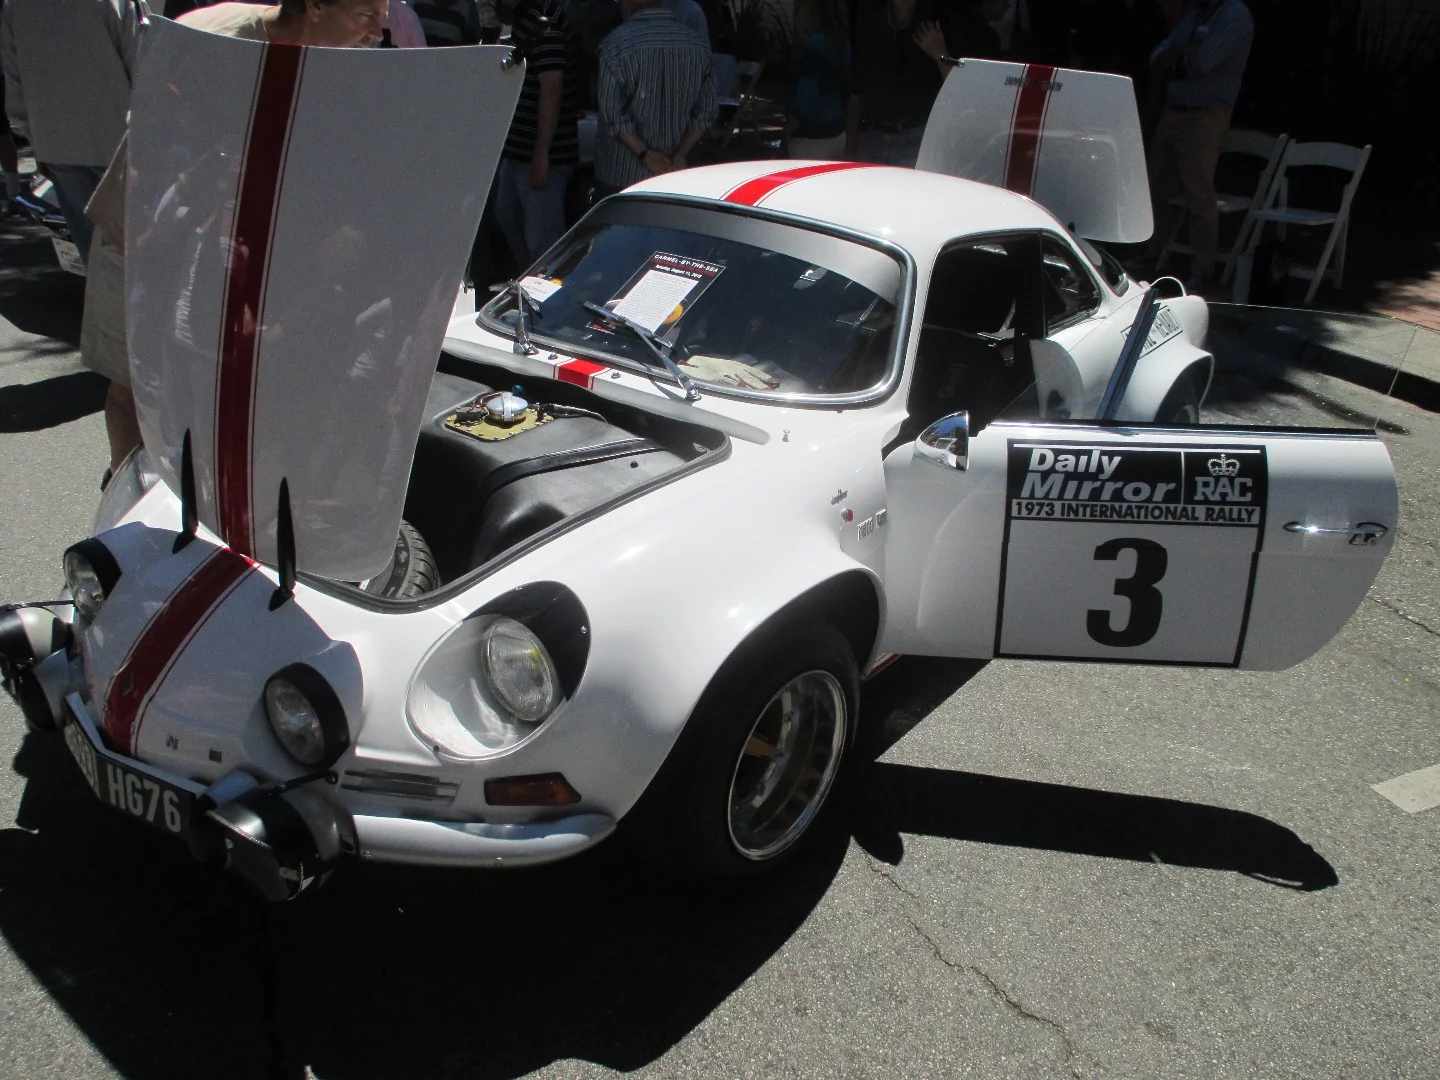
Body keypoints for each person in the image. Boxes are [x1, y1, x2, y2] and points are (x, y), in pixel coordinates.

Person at [82, 0, 387, 477]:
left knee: (209, 390)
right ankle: (126, 488)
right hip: (149, 230)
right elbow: (153, 144)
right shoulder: (214, 42)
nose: (378, 31)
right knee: (134, 380)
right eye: (366, 15)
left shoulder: (331, 60)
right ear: (315, 7)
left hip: (233, 246)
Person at [0, 0, 141, 263]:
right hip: (119, 141)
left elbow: (14, 88)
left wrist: (35, 141)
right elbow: (141, 65)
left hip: (58, 145)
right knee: (137, 246)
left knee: (94, 255)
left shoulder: (15, 6)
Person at [1144, 0, 1253, 288]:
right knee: (1157, 185)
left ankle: (1202, 269)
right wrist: (1179, 55)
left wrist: (1177, 58)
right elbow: (1158, 54)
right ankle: (1153, 256)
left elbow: (1202, 62)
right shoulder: (1195, 14)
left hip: (1205, 116)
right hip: (1173, 110)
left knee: (1198, 192)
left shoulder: (1234, 14)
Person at [594, 0, 716, 198]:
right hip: (673, 174)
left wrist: (645, 154)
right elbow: (707, 111)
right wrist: (681, 154)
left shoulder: (614, 45)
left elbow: (611, 113)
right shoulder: (698, 46)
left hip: (621, 176)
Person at [494, 0, 582, 265]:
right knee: (508, 215)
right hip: (518, 150)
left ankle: (543, 285)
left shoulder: (544, 21)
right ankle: (529, 279)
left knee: (543, 243)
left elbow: (552, 88)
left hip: (540, 155)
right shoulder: (523, 18)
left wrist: (542, 153)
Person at [847, 0, 953, 165]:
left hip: (918, 139)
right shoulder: (870, 17)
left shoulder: (937, 18)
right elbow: (856, 91)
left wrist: (940, 54)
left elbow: (957, 87)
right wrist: (850, 149)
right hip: (872, 137)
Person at [786, 0, 852, 160]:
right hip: (838, 132)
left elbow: (806, 101)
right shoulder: (844, 43)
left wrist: (787, 130)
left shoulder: (814, 46)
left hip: (812, 138)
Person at [409, 0, 481, 45]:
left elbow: (471, 47)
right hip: (420, 60)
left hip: (452, 61)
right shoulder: (414, 3)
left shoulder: (468, 6)